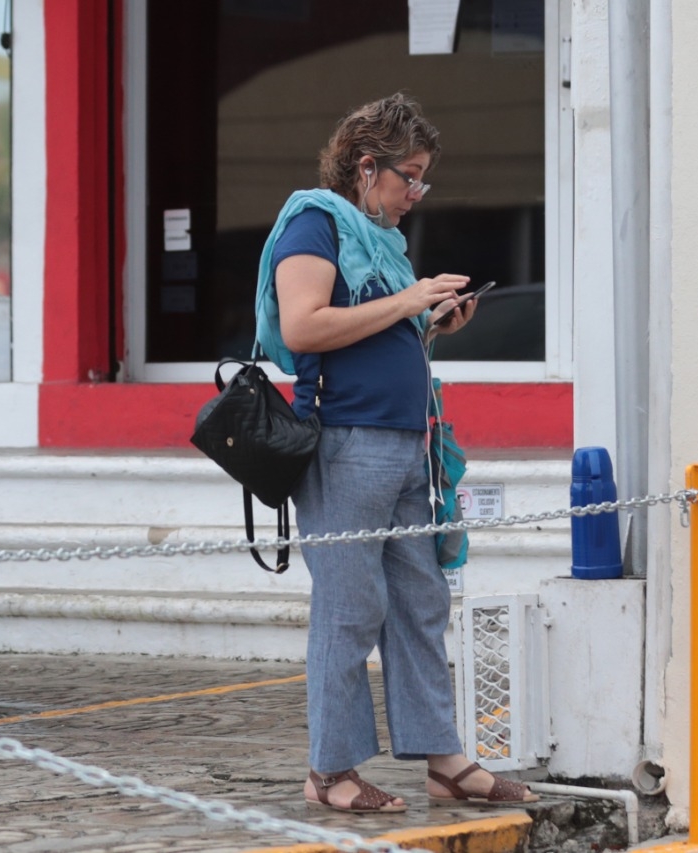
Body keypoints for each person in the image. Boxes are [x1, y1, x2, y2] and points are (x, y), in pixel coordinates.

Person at [253, 93, 540, 813]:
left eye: (422, 179)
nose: (416, 193)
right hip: (345, 445)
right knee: (350, 609)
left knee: (419, 601)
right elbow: (306, 325)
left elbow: (370, 337)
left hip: (404, 444)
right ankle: (329, 770)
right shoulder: (314, 223)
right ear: (365, 165)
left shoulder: (379, 243)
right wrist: (409, 299)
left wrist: (430, 324)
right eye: (407, 176)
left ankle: (444, 758)